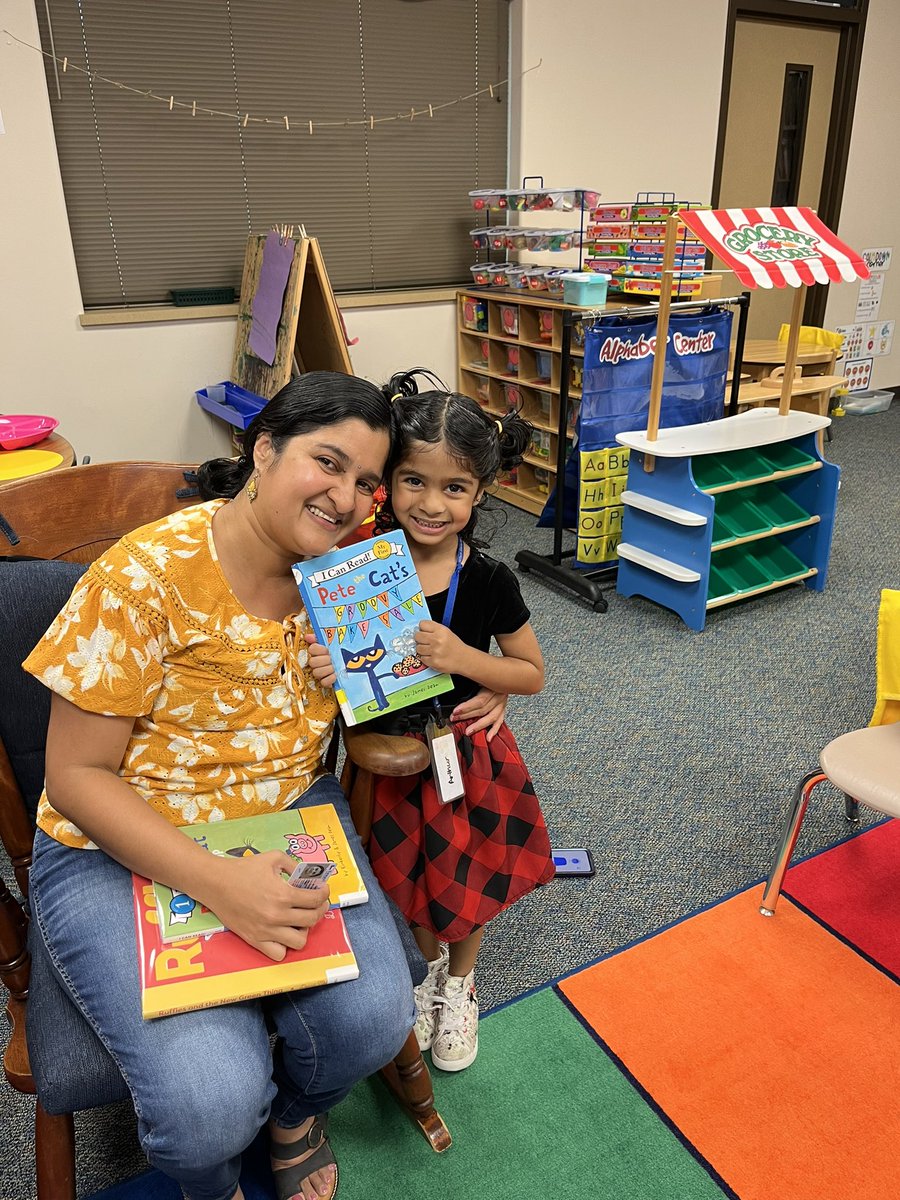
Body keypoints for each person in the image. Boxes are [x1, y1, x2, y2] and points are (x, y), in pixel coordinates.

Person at [23, 372, 416, 1200]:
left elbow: (391, 699)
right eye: (327, 462)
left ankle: (294, 1120)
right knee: (207, 1105)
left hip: (288, 809)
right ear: (263, 450)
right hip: (115, 837)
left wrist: (374, 671)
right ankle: (212, 1183)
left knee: (376, 1021)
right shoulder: (144, 578)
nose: (346, 499)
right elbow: (77, 776)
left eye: (366, 482)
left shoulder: (345, 576)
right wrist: (219, 883)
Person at [307, 370, 554, 1074]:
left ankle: (460, 983)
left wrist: (471, 662)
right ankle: (423, 973)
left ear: (480, 492)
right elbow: (340, 656)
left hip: (463, 753)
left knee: (466, 879)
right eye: (414, 481)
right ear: (388, 481)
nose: (432, 503)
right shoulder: (352, 566)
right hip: (387, 755)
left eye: (455, 488)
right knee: (405, 880)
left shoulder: (489, 580)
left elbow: (531, 672)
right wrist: (329, 666)